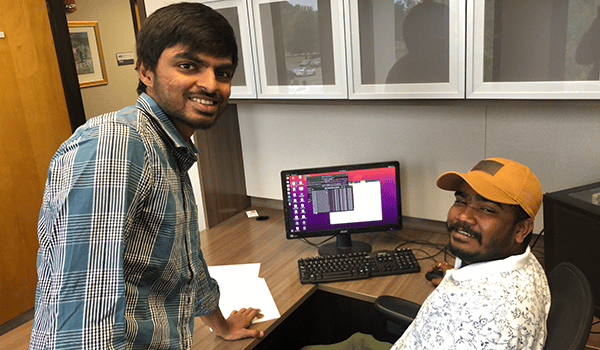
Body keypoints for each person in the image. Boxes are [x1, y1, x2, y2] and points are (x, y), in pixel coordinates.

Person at [29, 3, 264, 349]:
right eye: (188, 66)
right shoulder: (117, 144)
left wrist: (222, 326)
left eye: (223, 72)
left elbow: (187, 260)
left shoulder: (168, 147)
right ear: (146, 71)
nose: (211, 84)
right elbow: (82, 317)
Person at [391, 157, 551, 349]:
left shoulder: (493, 326)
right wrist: (461, 278)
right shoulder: (523, 262)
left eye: (487, 209)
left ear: (521, 230)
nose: (463, 216)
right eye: (461, 201)